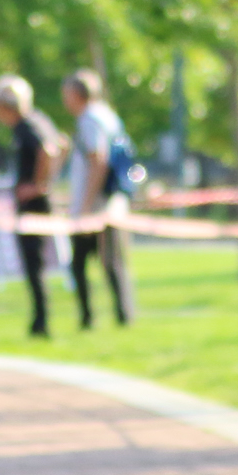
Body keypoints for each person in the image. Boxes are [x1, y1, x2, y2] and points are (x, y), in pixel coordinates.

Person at [60, 70, 136, 329]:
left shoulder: (89, 120)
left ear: (76, 94)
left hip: (97, 202)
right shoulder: (108, 115)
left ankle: (89, 317)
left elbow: (98, 161)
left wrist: (85, 204)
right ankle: (123, 313)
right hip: (112, 198)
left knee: (83, 262)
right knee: (112, 259)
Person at [0, 74, 63, 337]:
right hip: (36, 201)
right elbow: (61, 145)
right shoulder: (38, 121)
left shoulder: (28, 125)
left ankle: (41, 322)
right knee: (34, 264)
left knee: (34, 264)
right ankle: (38, 320)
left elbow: (50, 150)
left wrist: (38, 185)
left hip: (34, 204)